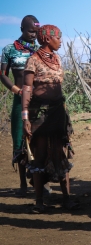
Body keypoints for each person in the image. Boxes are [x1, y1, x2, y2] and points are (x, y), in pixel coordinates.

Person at [22, 25, 78, 213]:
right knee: (40, 156)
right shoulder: (33, 60)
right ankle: (39, 201)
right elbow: (27, 89)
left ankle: (67, 198)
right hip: (39, 113)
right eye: (58, 37)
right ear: (47, 39)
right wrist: (25, 117)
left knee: (61, 153)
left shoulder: (57, 59)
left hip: (57, 113)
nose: (61, 40)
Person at [1, 15, 40, 197]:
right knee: (19, 138)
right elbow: (2, 74)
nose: (33, 35)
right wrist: (17, 90)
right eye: (30, 31)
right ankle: (23, 184)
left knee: (38, 138)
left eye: (36, 32)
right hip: (19, 100)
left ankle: (39, 181)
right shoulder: (9, 50)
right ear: (21, 29)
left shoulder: (39, 51)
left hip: (37, 100)